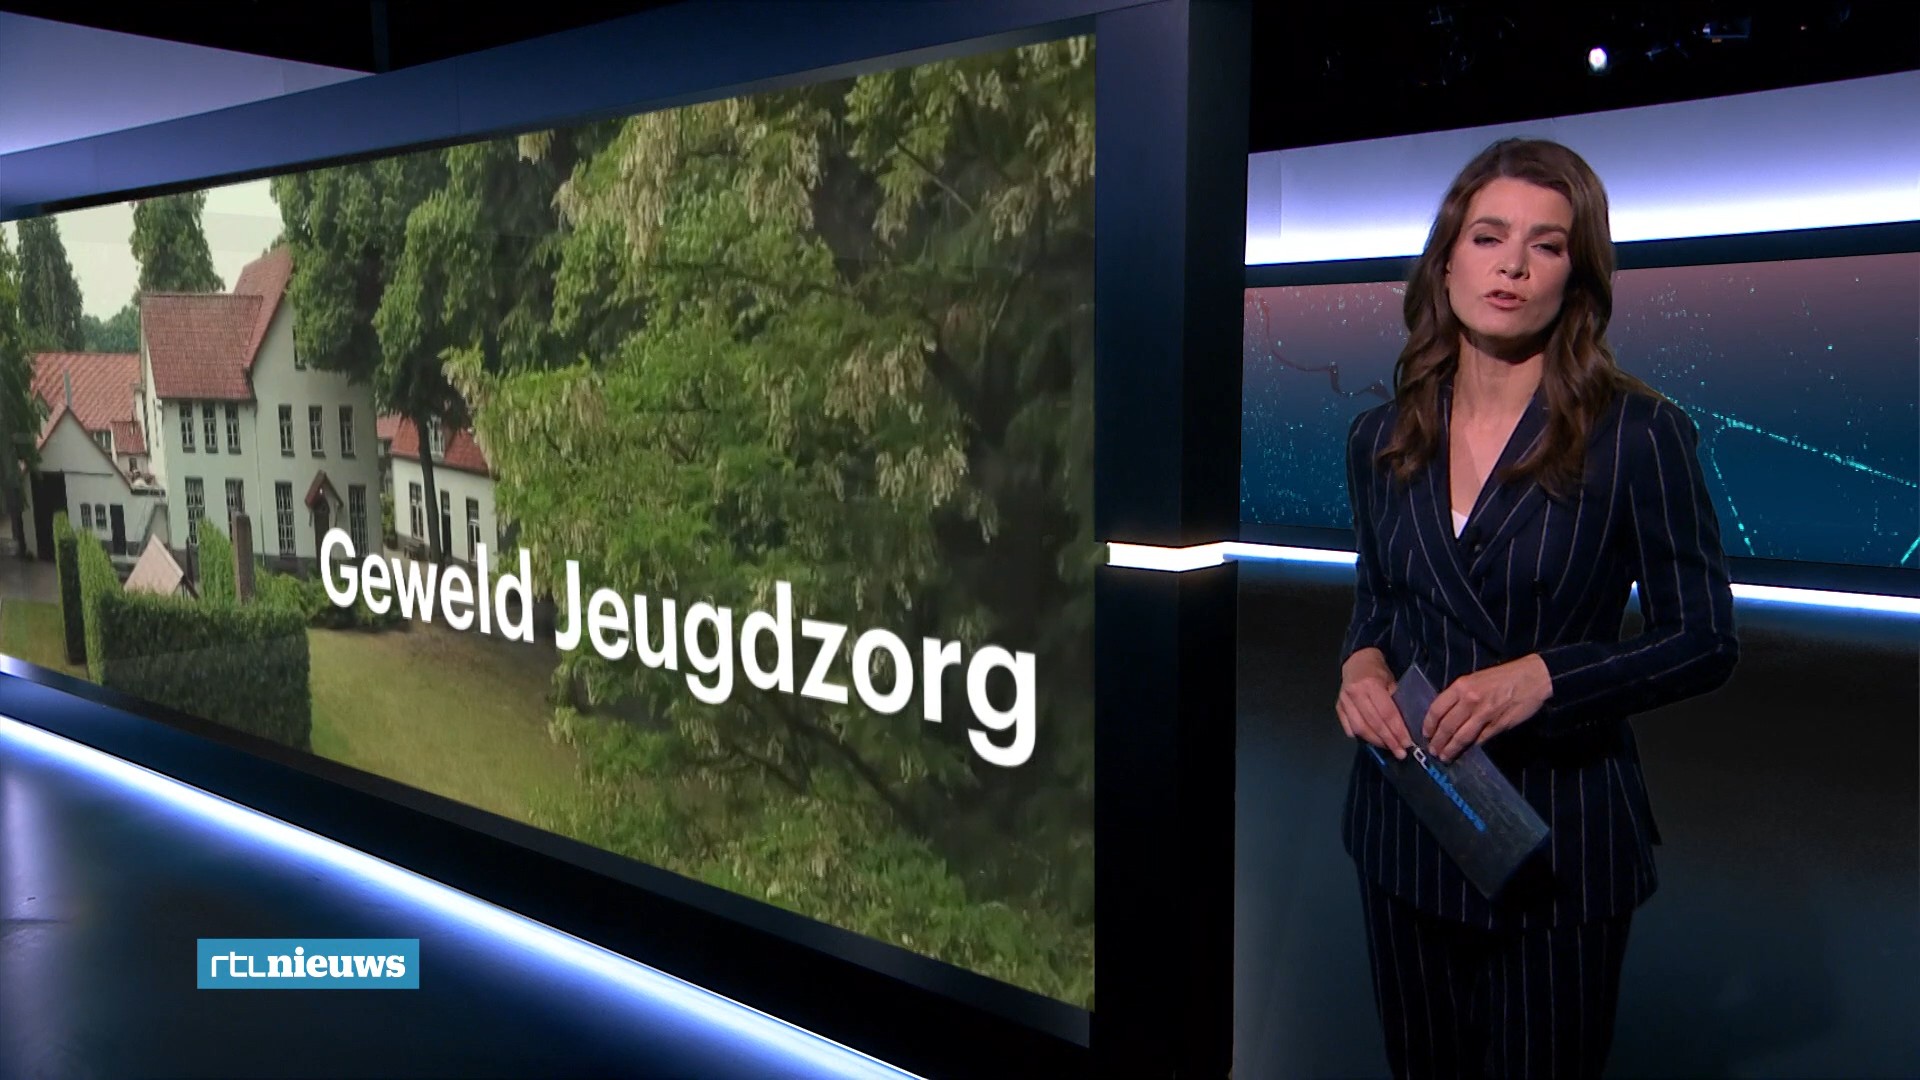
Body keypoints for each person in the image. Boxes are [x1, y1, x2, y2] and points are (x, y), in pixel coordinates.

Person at [1334, 137, 1740, 1079]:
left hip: (1558, 841)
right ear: (1446, 261)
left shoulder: (1638, 435)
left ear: (1577, 276)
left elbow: (1704, 639)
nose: (1511, 265)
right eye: (1488, 237)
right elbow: (1380, 597)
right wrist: (1359, 664)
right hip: (1408, 823)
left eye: (1546, 245)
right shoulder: (1380, 436)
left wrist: (1546, 679)